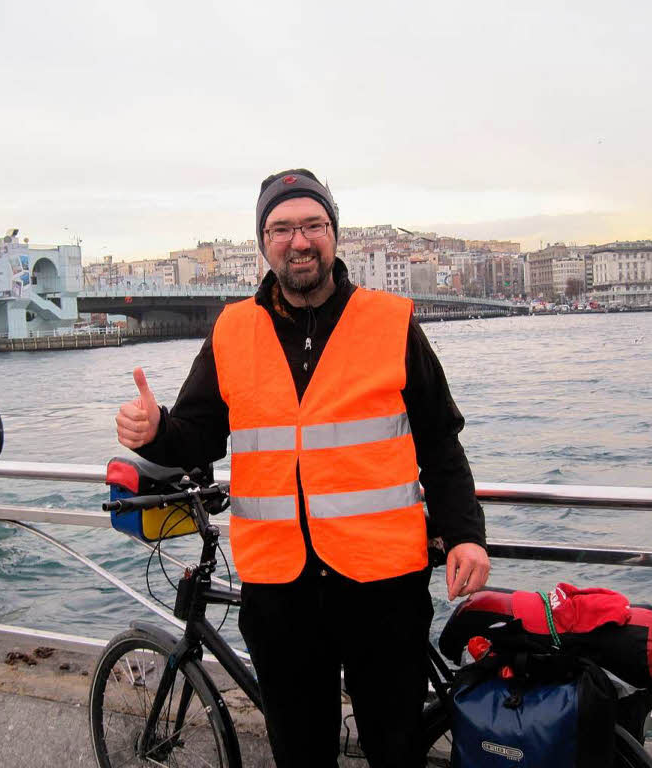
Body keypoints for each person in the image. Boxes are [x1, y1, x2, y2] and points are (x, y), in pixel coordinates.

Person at [115, 168, 490, 767]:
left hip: (383, 586)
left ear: (334, 234)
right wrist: (157, 432)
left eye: (313, 224)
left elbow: (440, 441)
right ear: (263, 243)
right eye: (281, 227)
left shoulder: (391, 323)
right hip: (280, 592)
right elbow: (196, 436)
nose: (299, 240)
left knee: (395, 749)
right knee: (300, 752)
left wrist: (466, 534)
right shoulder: (232, 331)